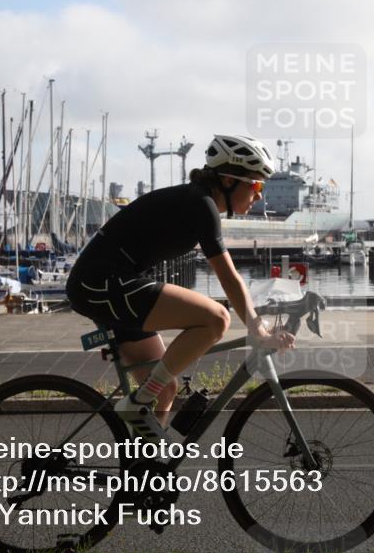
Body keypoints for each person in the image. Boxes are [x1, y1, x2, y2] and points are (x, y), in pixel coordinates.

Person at [66, 134, 295, 442]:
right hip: (102, 283)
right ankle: (138, 402)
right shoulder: (200, 204)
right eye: (256, 185)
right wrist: (258, 330)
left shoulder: (197, 200)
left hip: (106, 284)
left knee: (165, 388)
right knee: (216, 319)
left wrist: (257, 322)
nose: (259, 195)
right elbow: (228, 277)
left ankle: (145, 464)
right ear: (229, 180)